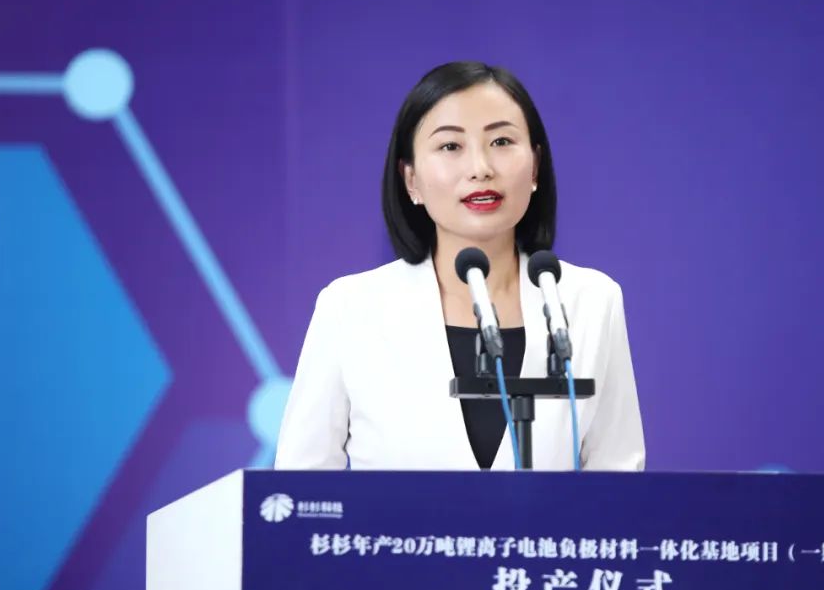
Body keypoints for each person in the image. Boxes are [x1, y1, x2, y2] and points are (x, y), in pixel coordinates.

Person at [274, 61, 644, 471]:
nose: (480, 168)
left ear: (535, 166)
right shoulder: (351, 307)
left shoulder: (590, 301)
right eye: (451, 146)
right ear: (410, 179)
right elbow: (298, 484)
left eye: (501, 141)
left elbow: (618, 475)